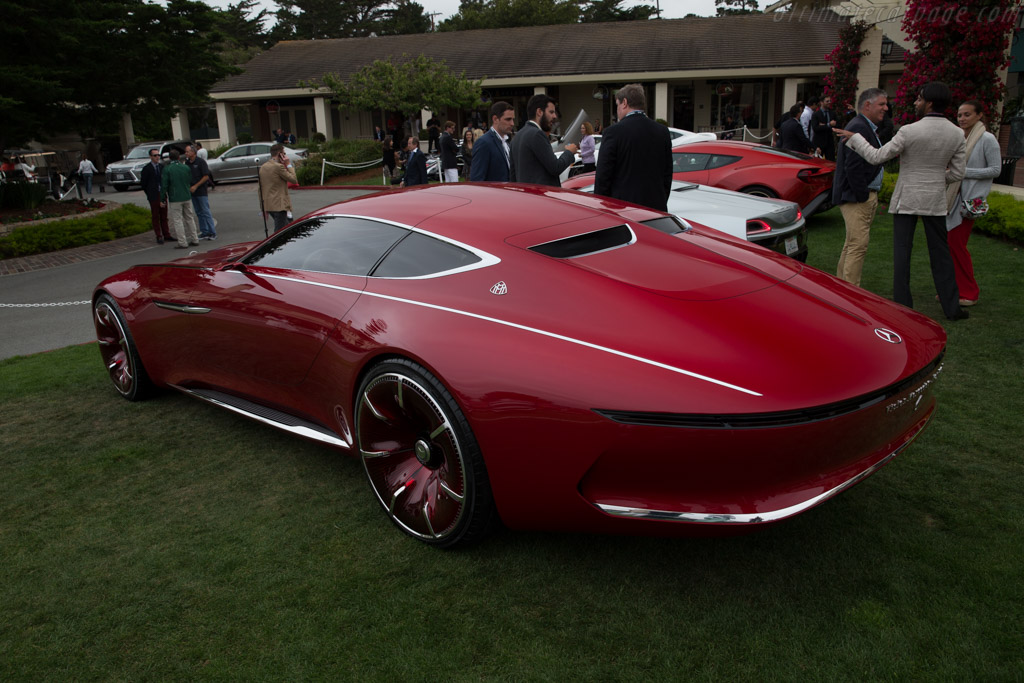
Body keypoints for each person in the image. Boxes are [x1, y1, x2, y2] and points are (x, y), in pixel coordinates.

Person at [836, 81, 968, 320]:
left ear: (928, 102)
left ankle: (903, 306)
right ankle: (952, 308)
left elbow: (876, 157)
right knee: (941, 254)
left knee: (902, 254)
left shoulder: (908, 130)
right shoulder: (957, 133)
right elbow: (958, 173)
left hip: (907, 198)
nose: (915, 103)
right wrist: (937, 179)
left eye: (918, 99)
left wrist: (855, 139)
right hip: (935, 200)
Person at [944, 100, 1001, 307]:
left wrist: (963, 173)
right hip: (953, 199)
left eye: (967, 115)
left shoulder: (987, 139)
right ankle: (953, 290)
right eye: (959, 115)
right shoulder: (961, 138)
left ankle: (969, 292)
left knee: (956, 246)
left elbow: (996, 170)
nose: (962, 119)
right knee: (951, 246)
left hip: (969, 202)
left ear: (979, 115)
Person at [833, 88, 888, 287]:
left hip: (858, 196)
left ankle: (841, 288)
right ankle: (850, 293)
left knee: (852, 244)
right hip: (856, 198)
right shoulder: (859, 127)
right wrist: (862, 194)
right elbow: (852, 166)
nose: (886, 108)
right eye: (881, 104)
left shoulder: (864, 126)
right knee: (858, 246)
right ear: (867, 105)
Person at [594, 83, 673, 212]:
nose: (617, 110)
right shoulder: (662, 131)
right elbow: (667, 174)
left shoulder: (613, 132)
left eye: (617, 105)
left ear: (624, 103)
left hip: (622, 209)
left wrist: (602, 207)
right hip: (656, 209)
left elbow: (603, 176)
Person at [509, 93, 577, 187]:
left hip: (525, 197)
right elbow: (555, 167)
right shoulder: (537, 134)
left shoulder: (517, 137)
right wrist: (569, 152)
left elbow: (513, 176)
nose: (554, 116)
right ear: (539, 112)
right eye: (551, 112)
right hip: (542, 197)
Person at [161, 149, 200, 249]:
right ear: (179, 157)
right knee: (189, 218)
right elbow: (189, 180)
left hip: (175, 197)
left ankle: (182, 242)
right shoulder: (185, 167)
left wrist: (162, 198)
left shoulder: (167, 169)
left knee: (178, 220)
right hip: (186, 195)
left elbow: (164, 184)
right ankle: (195, 238)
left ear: (169, 157)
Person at [470, 101, 515, 182]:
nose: (512, 123)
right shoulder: (484, 143)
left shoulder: (507, 142)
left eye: (513, 119)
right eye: (508, 119)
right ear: (495, 119)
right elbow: (477, 180)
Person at [259, 143, 298, 233]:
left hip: (269, 205)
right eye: (284, 154)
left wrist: (263, 207)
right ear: (280, 154)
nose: (285, 156)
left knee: (288, 228)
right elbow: (294, 179)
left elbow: (260, 189)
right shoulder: (278, 167)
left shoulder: (263, 167)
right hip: (279, 206)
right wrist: (288, 164)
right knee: (279, 232)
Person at [140, 148, 172, 244]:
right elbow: (144, 184)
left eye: (158, 155)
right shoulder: (147, 169)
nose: (157, 157)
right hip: (153, 195)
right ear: (150, 157)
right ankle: (158, 235)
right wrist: (150, 193)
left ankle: (167, 234)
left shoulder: (162, 167)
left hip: (162, 194)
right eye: (155, 155)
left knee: (164, 215)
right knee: (155, 215)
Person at [185, 144, 217, 240]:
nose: (186, 153)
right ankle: (204, 231)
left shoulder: (200, 162)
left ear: (193, 152)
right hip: (193, 192)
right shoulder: (187, 164)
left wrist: (196, 186)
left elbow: (206, 176)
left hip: (201, 191)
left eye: (187, 151)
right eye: (185, 151)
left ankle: (212, 232)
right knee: (198, 212)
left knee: (205, 211)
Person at [811, 95, 837, 160]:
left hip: (829, 142)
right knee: (817, 161)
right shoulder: (816, 114)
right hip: (819, 142)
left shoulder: (832, 113)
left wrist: (823, 125)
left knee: (830, 161)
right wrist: (828, 125)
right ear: (822, 102)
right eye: (827, 101)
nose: (829, 102)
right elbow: (815, 128)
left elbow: (836, 125)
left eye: (830, 101)